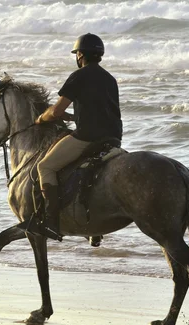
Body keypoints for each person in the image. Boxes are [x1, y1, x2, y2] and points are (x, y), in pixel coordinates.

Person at [34, 33, 123, 240]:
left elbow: (55, 112)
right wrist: (74, 116)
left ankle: (51, 222)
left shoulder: (79, 76)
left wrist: (41, 118)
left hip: (87, 137)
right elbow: (103, 112)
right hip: (113, 137)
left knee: (45, 167)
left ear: (80, 54)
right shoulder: (110, 79)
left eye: (77, 54)